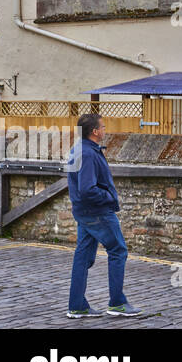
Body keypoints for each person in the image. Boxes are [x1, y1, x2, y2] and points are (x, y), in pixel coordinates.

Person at [66, 113, 140, 319]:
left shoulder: (78, 149)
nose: (106, 130)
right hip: (98, 213)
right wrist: (108, 197)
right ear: (95, 132)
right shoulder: (88, 154)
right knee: (118, 251)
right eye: (103, 127)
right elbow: (87, 189)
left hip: (83, 213)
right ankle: (117, 303)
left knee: (83, 257)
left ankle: (77, 305)